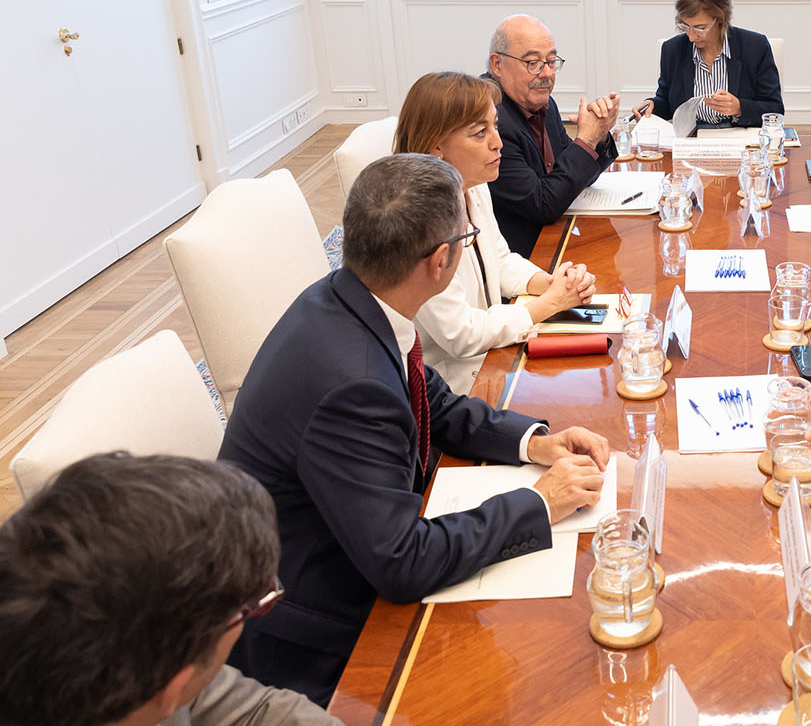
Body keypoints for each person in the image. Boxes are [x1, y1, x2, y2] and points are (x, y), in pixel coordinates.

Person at [219, 153, 609, 705]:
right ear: (441, 260)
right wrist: (539, 503)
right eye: (468, 237)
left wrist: (534, 443)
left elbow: (434, 402)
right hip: (316, 632)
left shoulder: (349, 298)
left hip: (348, 547)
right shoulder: (353, 384)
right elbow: (402, 562)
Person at [0, 452, 340, 726]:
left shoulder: (141, 652)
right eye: (254, 606)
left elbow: (254, 710)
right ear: (172, 688)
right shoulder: (150, 656)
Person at [394, 71, 599, 391]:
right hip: (451, 387)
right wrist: (548, 304)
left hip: (492, 354)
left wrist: (550, 284)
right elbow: (459, 335)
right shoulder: (415, 221)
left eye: (495, 126)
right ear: (436, 146)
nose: (498, 142)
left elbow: (499, 259)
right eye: (480, 133)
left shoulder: (472, 186)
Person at [485, 14, 620, 256]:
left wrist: (598, 136)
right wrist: (585, 140)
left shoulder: (543, 102)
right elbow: (542, 205)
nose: (546, 73)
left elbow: (573, 177)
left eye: (551, 62)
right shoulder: (489, 119)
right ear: (497, 64)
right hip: (521, 254)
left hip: (554, 236)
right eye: (532, 63)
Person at [635, 0, 783, 129]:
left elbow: (775, 109)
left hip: (739, 135)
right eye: (685, 27)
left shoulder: (755, 47)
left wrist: (739, 107)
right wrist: (652, 105)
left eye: (700, 28)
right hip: (693, 136)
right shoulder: (673, 50)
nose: (691, 37)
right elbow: (666, 102)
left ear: (720, 19)